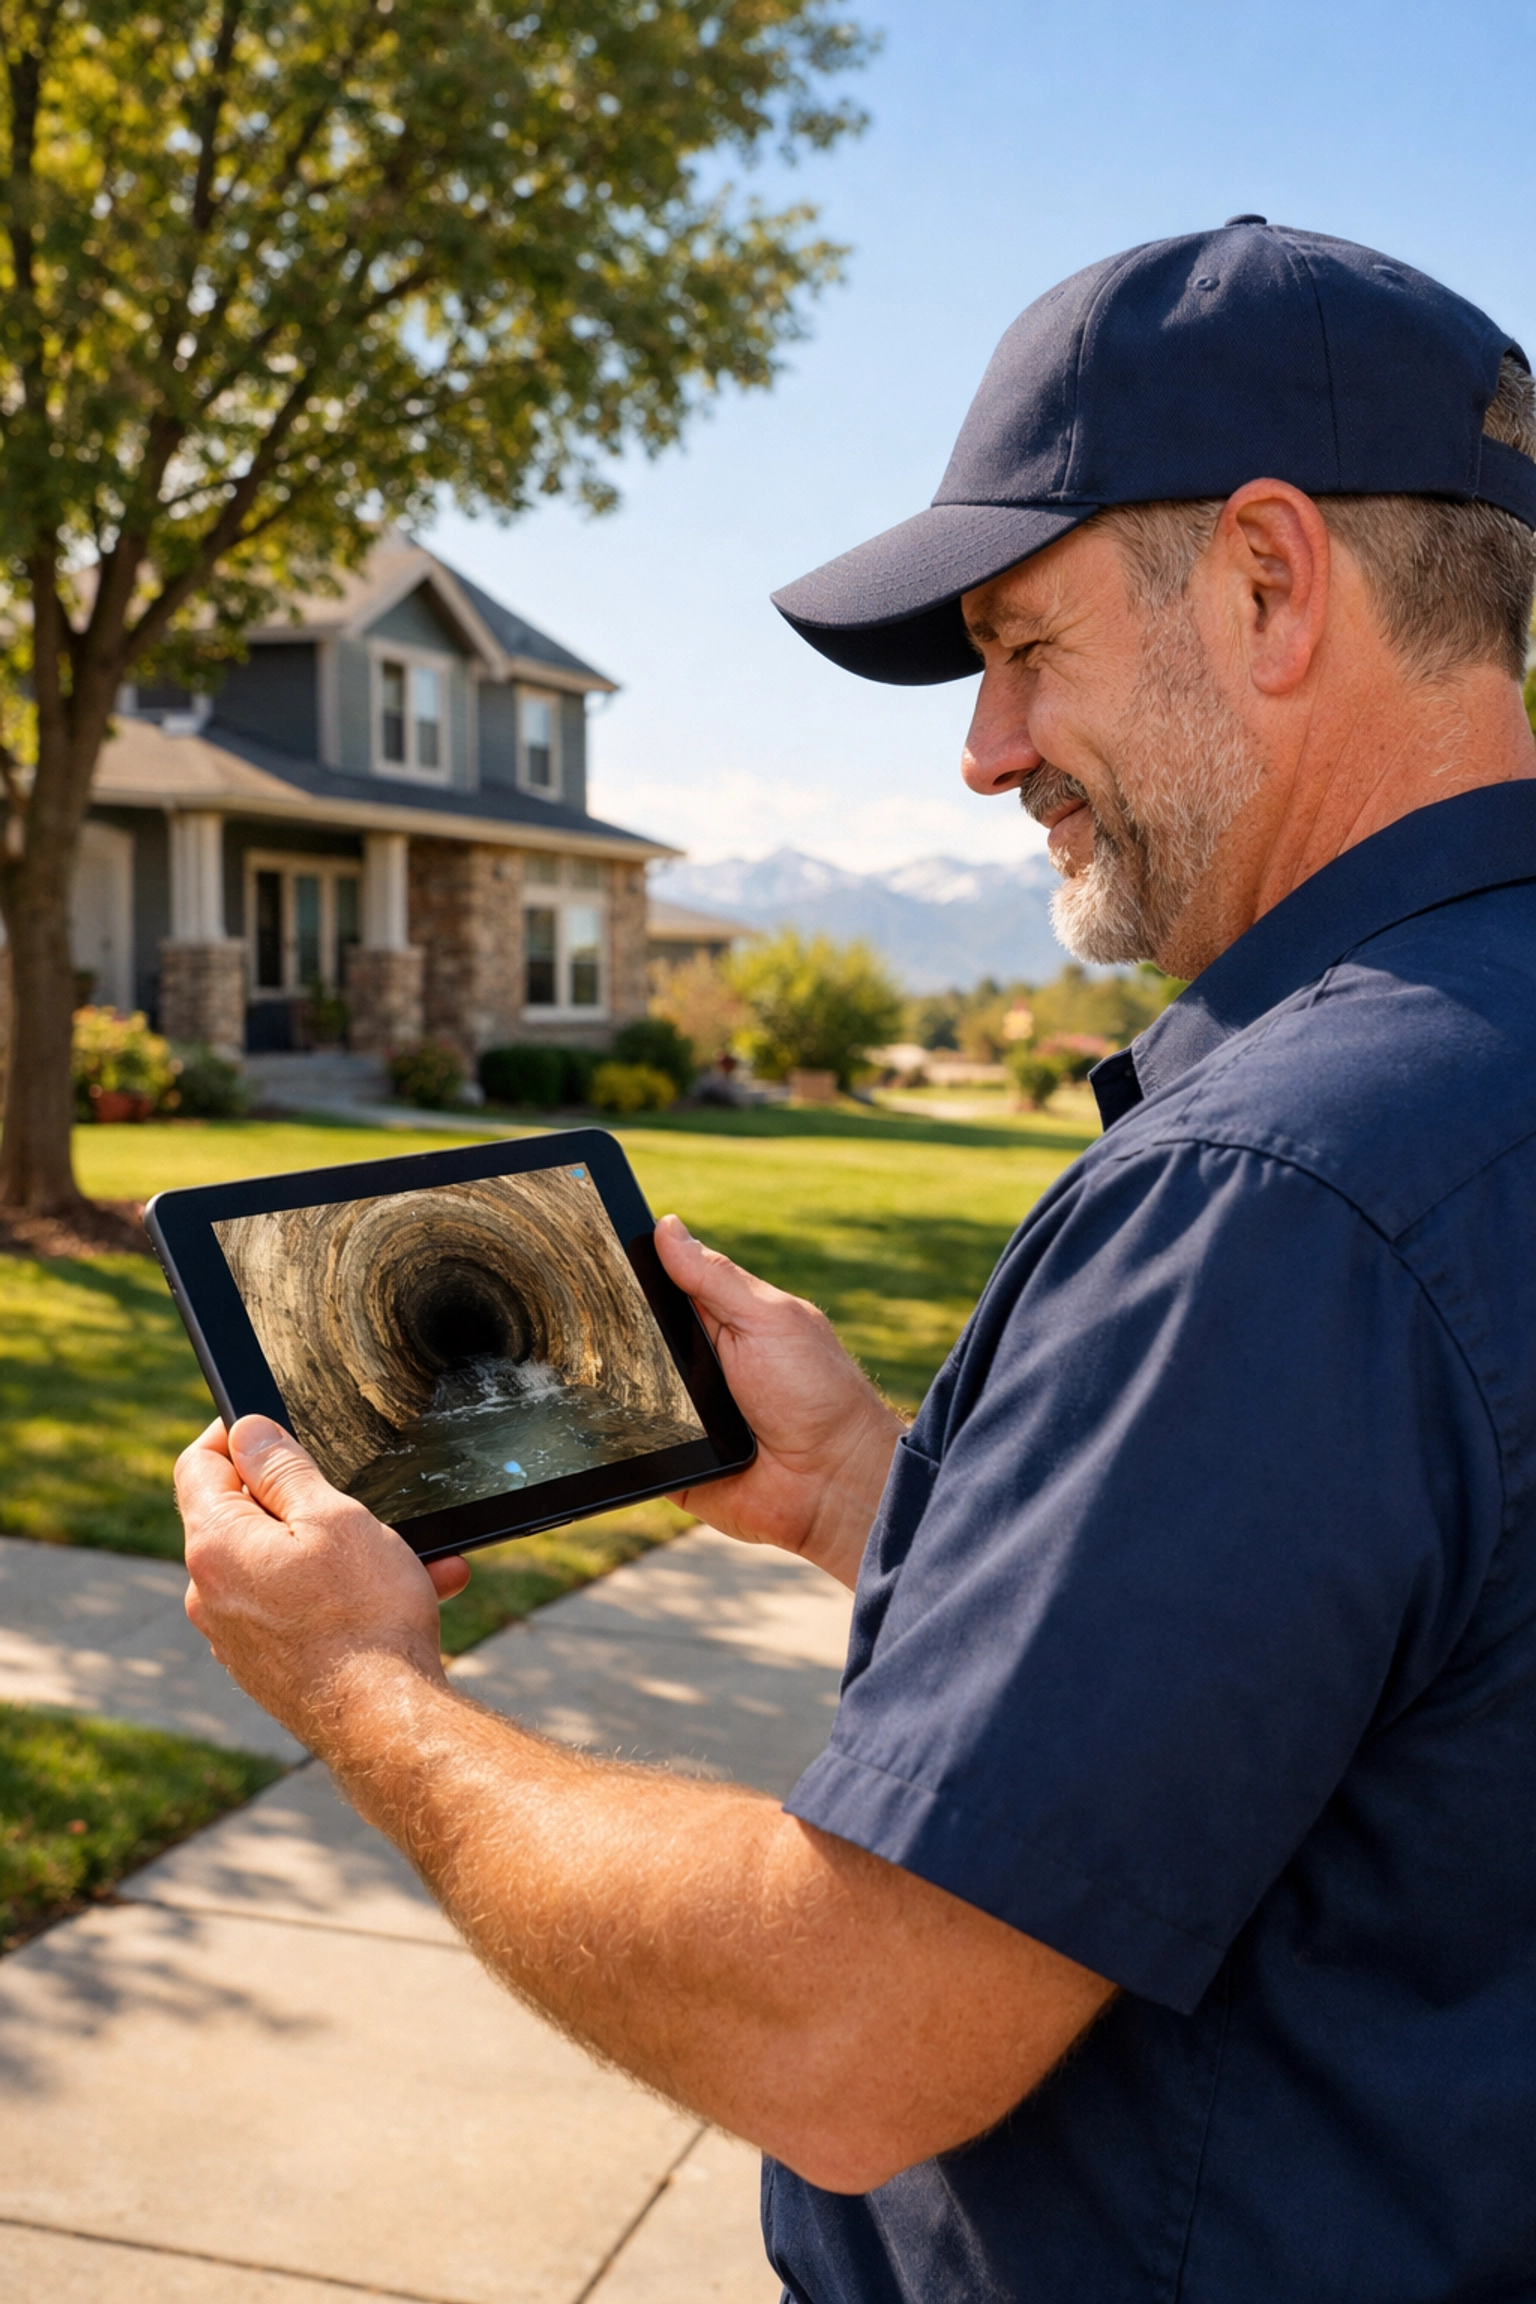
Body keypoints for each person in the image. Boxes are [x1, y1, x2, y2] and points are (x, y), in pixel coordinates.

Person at [177, 220, 1536, 2301]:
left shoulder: (1285, 1191)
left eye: (1024, 648)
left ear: (1274, 579)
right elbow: (1372, 1676)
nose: (985, 752)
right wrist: (856, 1492)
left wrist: (364, 1689)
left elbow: (850, 2026)